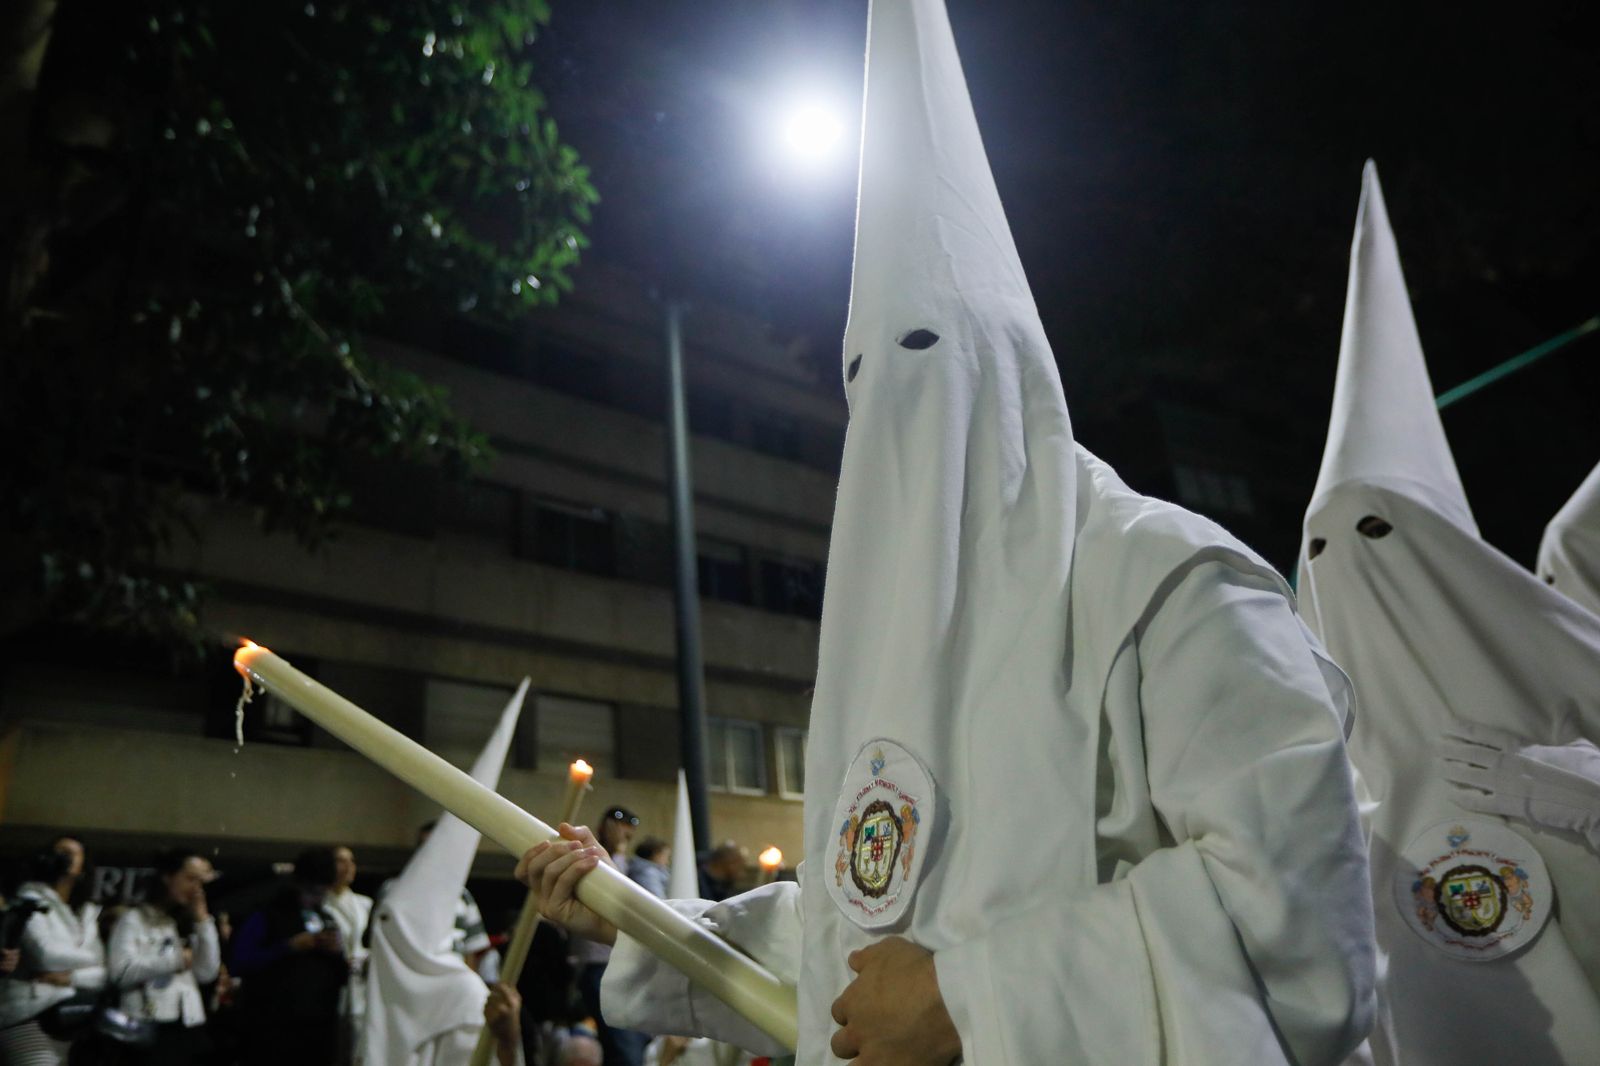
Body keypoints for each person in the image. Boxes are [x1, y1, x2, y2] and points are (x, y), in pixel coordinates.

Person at [517, 2, 1375, 1064]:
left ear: (1016, 374)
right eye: (868, 378)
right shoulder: (891, 657)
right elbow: (865, 942)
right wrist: (640, 919)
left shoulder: (1175, 585)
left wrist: (980, 997)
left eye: (928, 352)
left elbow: (1300, 925)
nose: (902, 414)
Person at [1298, 162, 1600, 1064]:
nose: (1347, 567)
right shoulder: (1312, 772)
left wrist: (1581, 794)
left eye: (1380, 532)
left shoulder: (1565, 664)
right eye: (1319, 547)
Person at [229, 847, 348, 1066]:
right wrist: (288, 947)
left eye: (322, 893)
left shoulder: (327, 917)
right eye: (311, 892)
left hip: (318, 1028)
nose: (315, 899)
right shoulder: (267, 914)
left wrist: (336, 954)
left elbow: (342, 977)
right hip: (272, 1027)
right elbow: (240, 963)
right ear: (298, 884)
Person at [107, 848, 221, 1065]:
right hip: (149, 1024)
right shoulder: (134, 919)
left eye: (201, 883)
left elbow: (207, 973)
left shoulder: (189, 922)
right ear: (168, 877)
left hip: (189, 1022)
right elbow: (120, 972)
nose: (196, 889)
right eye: (190, 879)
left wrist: (203, 922)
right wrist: (175, 960)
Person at [0, 836, 106, 1066]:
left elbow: (102, 973)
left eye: (73, 853)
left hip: (68, 1018)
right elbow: (46, 956)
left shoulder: (85, 911)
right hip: (27, 1013)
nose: (65, 858)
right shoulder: (29, 898)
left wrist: (71, 977)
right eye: (61, 852)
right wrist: (91, 960)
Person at [571, 806, 646, 1066]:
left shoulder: (633, 866)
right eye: (618, 824)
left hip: (624, 960)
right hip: (597, 964)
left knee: (630, 1045)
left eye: (629, 827)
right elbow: (612, 895)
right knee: (623, 1047)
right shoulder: (586, 857)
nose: (624, 831)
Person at [323, 845, 373, 1064]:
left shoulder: (365, 904)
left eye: (351, 861)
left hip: (361, 982)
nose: (348, 866)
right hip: (331, 983)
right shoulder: (320, 904)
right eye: (341, 861)